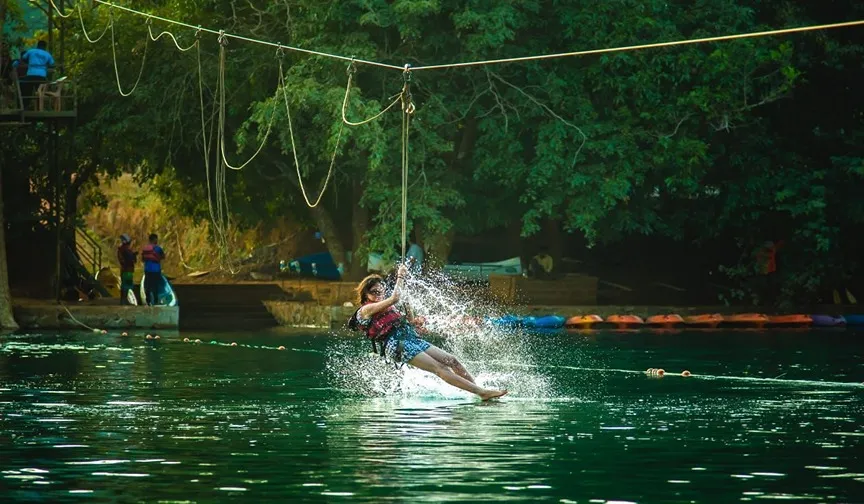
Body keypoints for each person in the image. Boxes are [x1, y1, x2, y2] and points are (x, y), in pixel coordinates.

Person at [349, 264, 507, 401]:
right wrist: (401, 276)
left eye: (381, 292)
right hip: (396, 344)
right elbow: (395, 297)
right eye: (375, 293)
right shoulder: (366, 310)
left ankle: (476, 389)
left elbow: (409, 320)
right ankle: (482, 393)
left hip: (410, 338)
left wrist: (409, 307)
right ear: (366, 294)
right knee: (440, 368)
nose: (379, 295)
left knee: (452, 361)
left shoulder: (387, 305)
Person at [14, 40, 54, 109]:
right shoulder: (47, 54)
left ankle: (25, 107)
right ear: (45, 47)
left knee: (27, 91)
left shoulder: (31, 51)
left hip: (31, 74)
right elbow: (52, 64)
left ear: (37, 45)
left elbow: (23, 58)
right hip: (42, 76)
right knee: (40, 92)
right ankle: (39, 108)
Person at [141, 233, 165, 306]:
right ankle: (156, 301)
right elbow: (163, 257)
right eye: (156, 239)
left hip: (147, 270)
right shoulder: (158, 248)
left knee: (148, 286)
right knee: (155, 286)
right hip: (156, 270)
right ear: (155, 240)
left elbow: (142, 259)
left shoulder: (145, 249)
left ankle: (148, 301)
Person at [117, 234, 137, 305]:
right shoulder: (126, 250)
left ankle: (124, 300)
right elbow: (131, 260)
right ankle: (124, 300)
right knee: (126, 285)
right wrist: (133, 255)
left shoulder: (122, 250)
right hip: (127, 269)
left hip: (125, 269)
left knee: (125, 285)